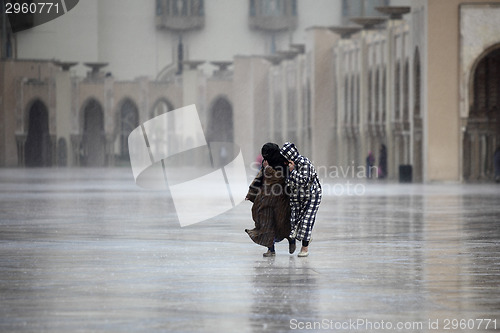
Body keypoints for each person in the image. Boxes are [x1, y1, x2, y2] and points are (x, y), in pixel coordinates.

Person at [245, 143, 295, 257]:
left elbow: (279, 178)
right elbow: (259, 178)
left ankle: (291, 240)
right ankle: (270, 249)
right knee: (266, 223)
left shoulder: (284, 163)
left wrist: (268, 168)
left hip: (281, 200)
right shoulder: (267, 163)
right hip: (265, 200)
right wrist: (251, 193)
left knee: (282, 223)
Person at [280, 142, 322, 257]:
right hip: (296, 197)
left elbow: (305, 181)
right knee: (294, 222)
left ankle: (305, 248)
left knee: (306, 221)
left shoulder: (304, 163)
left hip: (312, 195)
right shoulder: (285, 166)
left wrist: (293, 171)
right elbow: (287, 183)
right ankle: (306, 237)